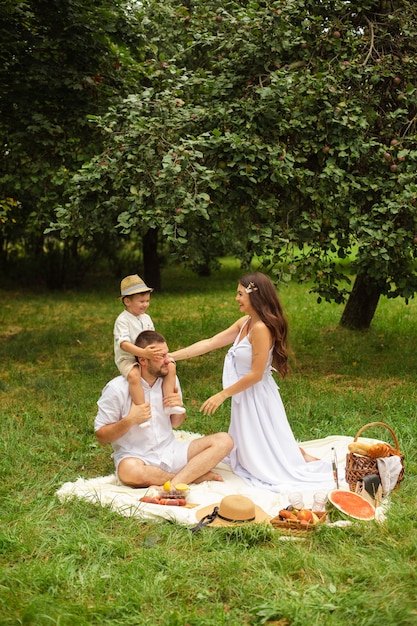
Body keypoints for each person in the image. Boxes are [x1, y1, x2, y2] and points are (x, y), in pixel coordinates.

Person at [170, 272, 335, 493]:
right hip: (244, 395)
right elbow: (210, 343)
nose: (236, 299)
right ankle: (296, 455)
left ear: (254, 296)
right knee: (254, 448)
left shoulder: (260, 329)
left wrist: (222, 394)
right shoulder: (245, 322)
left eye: (240, 294)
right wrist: (171, 356)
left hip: (256, 395)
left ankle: (297, 459)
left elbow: (256, 374)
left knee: (267, 459)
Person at [95, 330, 233, 488]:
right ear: (143, 360)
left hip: (171, 451)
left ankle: (175, 481)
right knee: (129, 471)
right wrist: (130, 420)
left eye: (167, 354)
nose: (168, 361)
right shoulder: (117, 388)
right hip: (137, 457)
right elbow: (101, 436)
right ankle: (191, 477)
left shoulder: (170, 380)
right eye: (161, 357)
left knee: (224, 441)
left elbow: (176, 423)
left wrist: (179, 407)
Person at [114, 274, 185, 424]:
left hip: (148, 355)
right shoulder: (122, 320)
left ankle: (169, 403)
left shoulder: (146, 318)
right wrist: (143, 353)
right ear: (127, 301)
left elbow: (153, 338)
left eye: (147, 301)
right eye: (141, 301)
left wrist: (158, 354)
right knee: (134, 375)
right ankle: (142, 411)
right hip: (128, 358)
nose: (145, 304)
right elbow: (123, 344)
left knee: (170, 366)